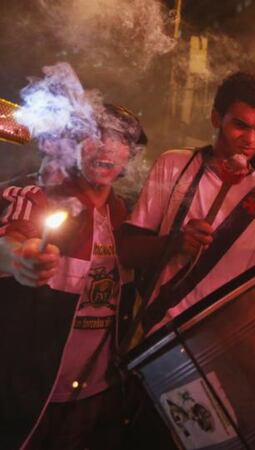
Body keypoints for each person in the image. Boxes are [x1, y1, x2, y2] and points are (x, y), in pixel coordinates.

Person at [0, 103, 146, 450]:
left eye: (120, 140)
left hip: (98, 395)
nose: (107, 148)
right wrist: (18, 259)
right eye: (94, 136)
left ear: (130, 156)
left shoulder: (126, 213)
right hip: (31, 395)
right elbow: (11, 239)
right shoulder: (38, 194)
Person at [118, 71, 255, 335]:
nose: (250, 140)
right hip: (166, 328)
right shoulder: (174, 165)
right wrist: (176, 243)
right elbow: (128, 250)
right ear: (216, 118)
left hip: (233, 332)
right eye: (241, 126)